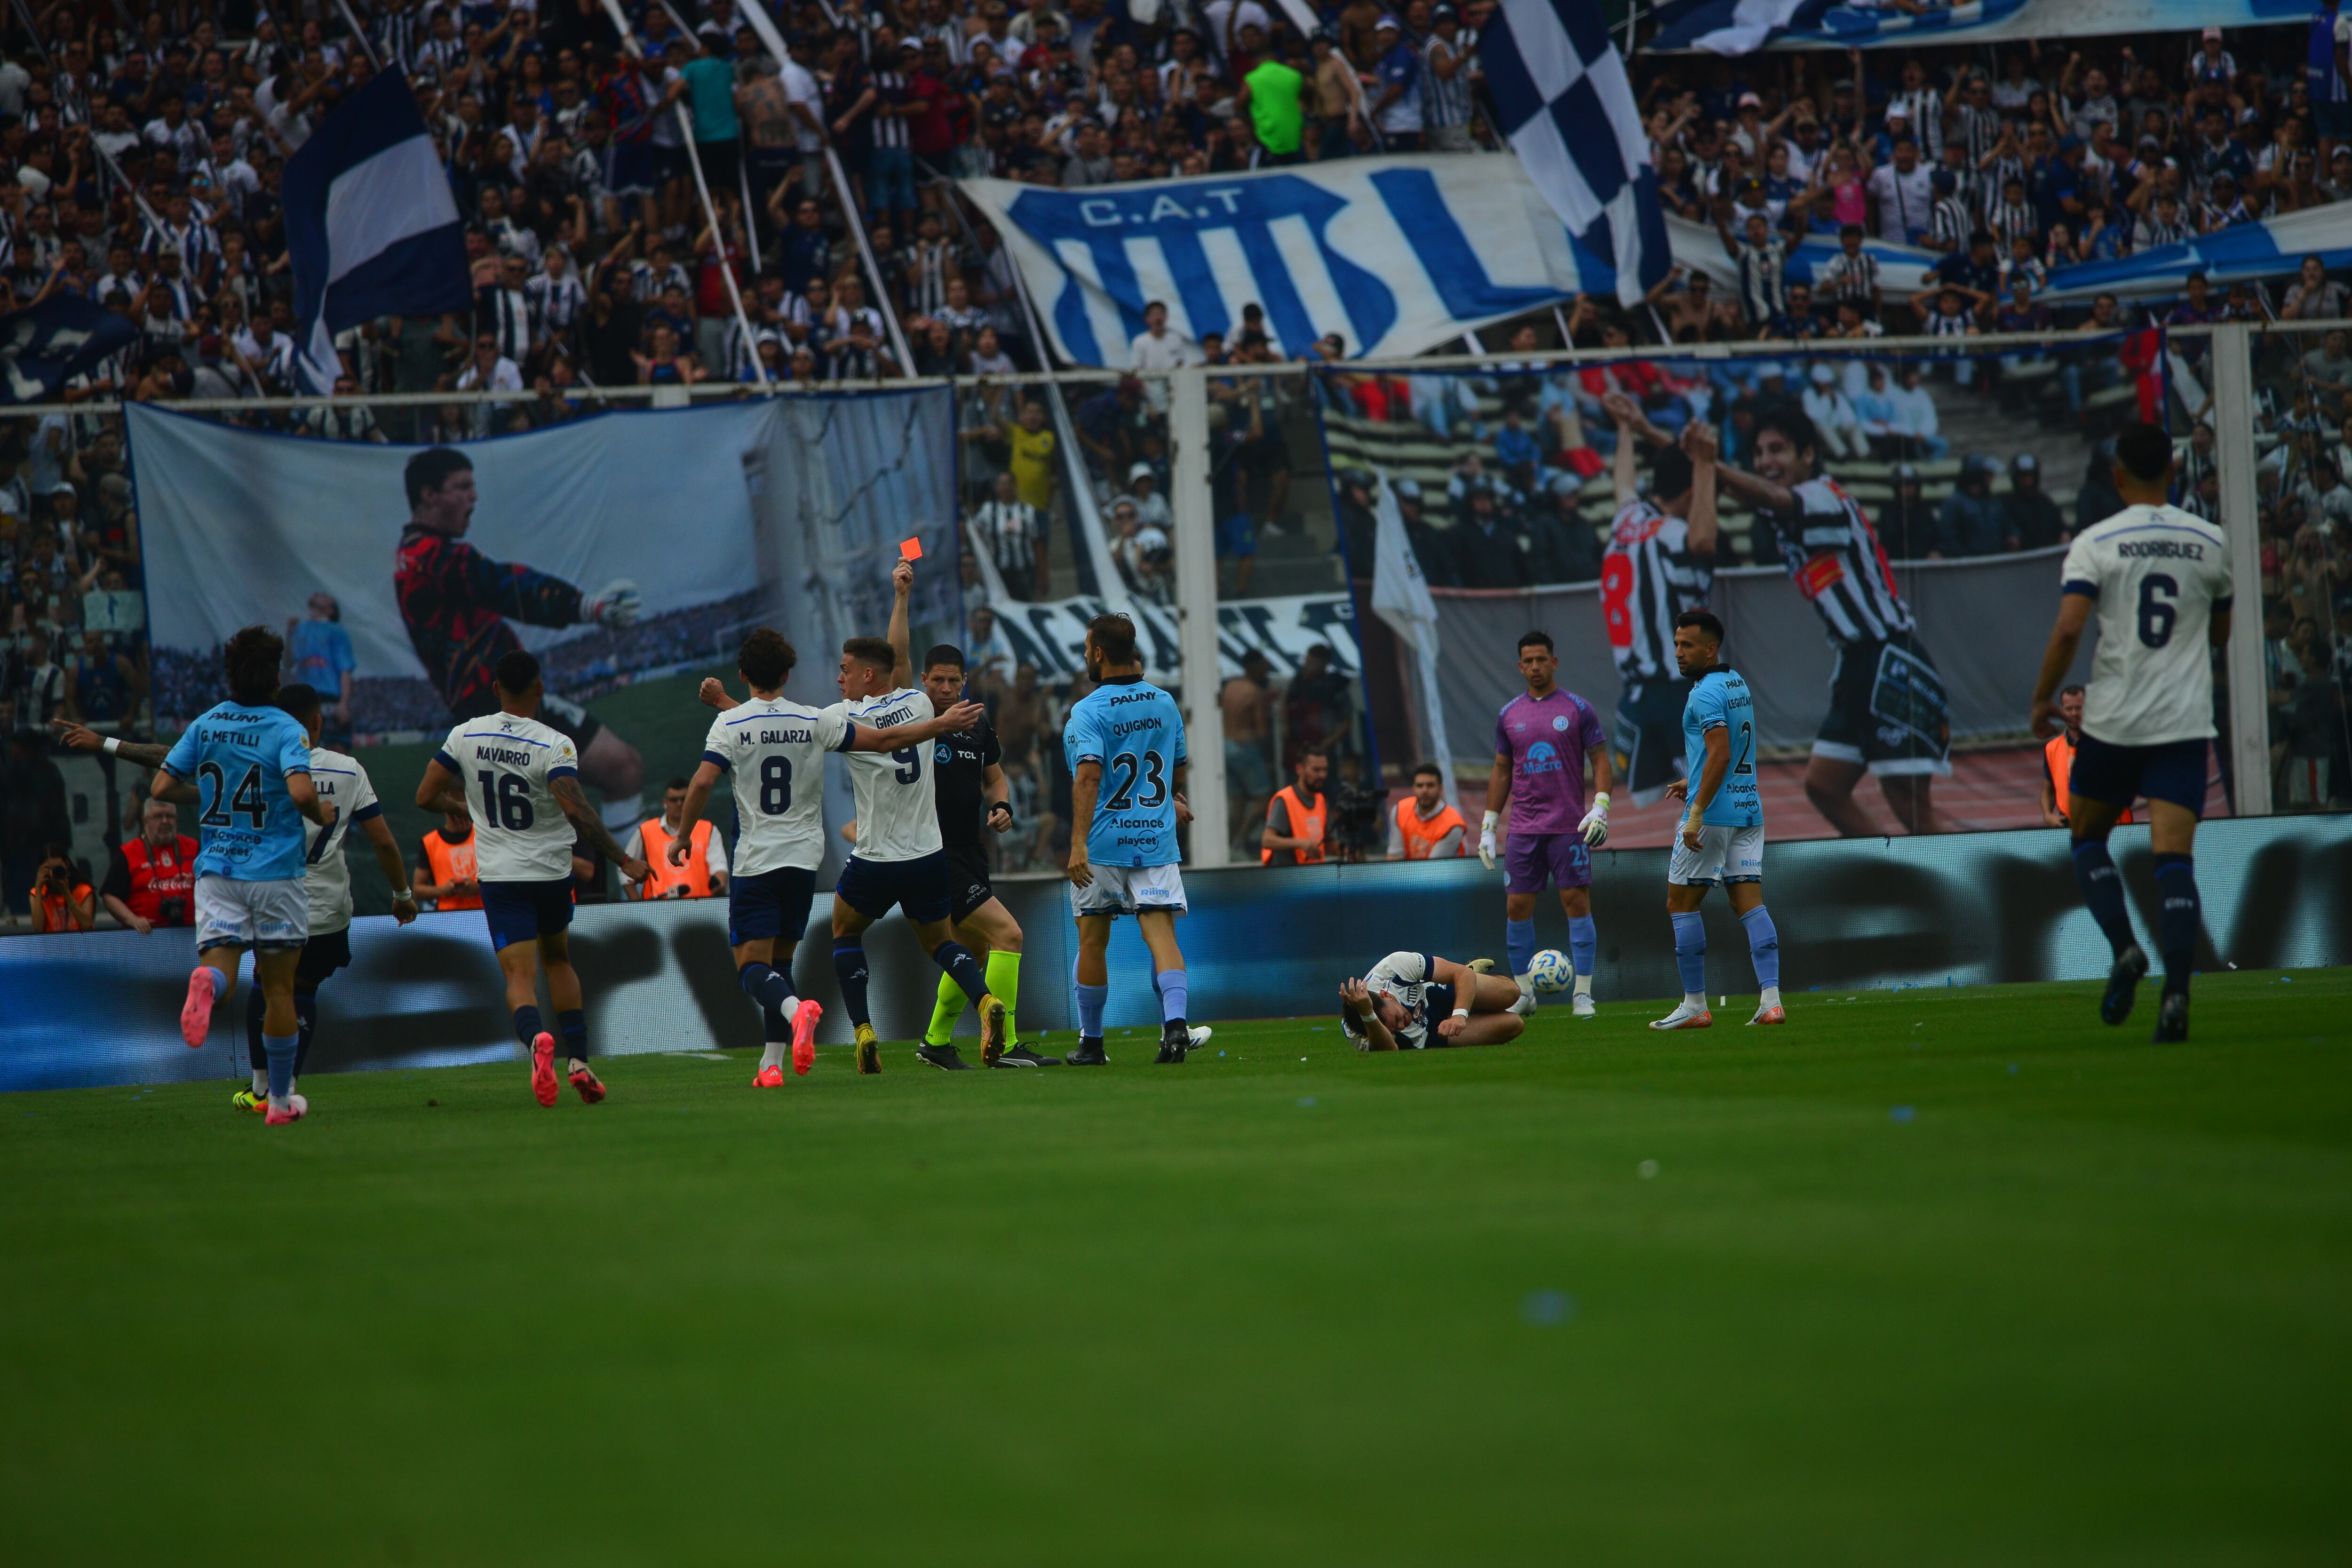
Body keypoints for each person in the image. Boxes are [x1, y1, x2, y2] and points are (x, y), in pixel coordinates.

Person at [683, 627, 983, 1084]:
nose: (840, 677)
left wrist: (681, 835)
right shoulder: (821, 719)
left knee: (759, 965)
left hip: (767, 859)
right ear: (787, 672)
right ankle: (771, 1065)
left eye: (845, 670)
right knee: (784, 963)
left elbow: (710, 775)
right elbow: (883, 737)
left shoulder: (743, 722)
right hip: (812, 861)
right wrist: (940, 725)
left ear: (744, 673)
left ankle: (817, 1015)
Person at [2028, 423, 2230, 1043]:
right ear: (2174, 469)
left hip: (2115, 719)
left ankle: (2123, 948)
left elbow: (2068, 630)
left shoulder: (2096, 542)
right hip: (2181, 720)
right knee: (2175, 860)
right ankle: (2177, 992)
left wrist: (2043, 699)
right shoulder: (2210, 540)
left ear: (2116, 476)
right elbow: (2220, 636)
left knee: (2088, 837)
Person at [413, 648, 652, 1108]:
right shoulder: (554, 743)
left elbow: (425, 795)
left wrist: (460, 808)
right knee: (559, 962)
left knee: (519, 978)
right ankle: (579, 1061)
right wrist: (624, 860)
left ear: (496, 688)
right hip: (550, 874)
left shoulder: (465, 734)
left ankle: (537, 1040)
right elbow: (577, 811)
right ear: (540, 689)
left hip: (502, 878)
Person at [1715, 402, 1951, 836]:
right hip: (1856, 665)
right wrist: (1654, 436)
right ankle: (1895, 872)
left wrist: (1704, 461)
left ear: (1808, 454)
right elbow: (1750, 492)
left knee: (1910, 804)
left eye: (1778, 449)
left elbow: (1764, 494)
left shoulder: (1822, 497)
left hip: (1888, 657)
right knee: (1825, 786)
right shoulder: (1793, 504)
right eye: (1760, 452)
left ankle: (1982, 884)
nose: (1767, 461)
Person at [394, 447, 648, 837]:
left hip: (505, 706)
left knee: (621, 769)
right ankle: (630, 894)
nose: (473, 496)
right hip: (496, 711)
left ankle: (629, 893)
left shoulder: (418, 556)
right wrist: (585, 606)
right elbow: (504, 585)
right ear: (429, 495)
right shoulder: (431, 556)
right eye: (462, 486)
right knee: (559, 825)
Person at [826, 558, 1010, 1072]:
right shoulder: (921, 707)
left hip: (877, 856)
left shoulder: (845, 715)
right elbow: (899, 657)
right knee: (945, 944)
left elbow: (791, 729)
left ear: (865, 675)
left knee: (844, 933)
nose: (838, 678)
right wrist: (902, 597)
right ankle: (985, 1002)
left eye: (844, 670)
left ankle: (863, 1029)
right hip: (928, 856)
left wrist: (732, 705)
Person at [153, 626, 339, 1126]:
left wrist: (217, 801)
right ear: (275, 675)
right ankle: (278, 1103)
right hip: (275, 873)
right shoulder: (285, 728)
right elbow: (301, 794)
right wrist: (320, 812)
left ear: (230, 674)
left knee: (226, 976)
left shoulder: (207, 723)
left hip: (217, 871)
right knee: (280, 990)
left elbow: (162, 785)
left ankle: (206, 983)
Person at [234, 682, 420, 1113]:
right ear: (318, 722)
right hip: (328, 907)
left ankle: (261, 1089)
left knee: (266, 982)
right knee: (304, 989)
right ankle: (287, 1084)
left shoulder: (258, 765)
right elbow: (385, 843)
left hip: (273, 900)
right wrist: (402, 895)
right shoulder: (348, 769)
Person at [903, 644, 1063, 1067]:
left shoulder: (977, 725)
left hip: (971, 849)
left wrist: (1003, 806)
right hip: (934, 853)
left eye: (954, 680)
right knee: (1008, 934)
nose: (946, 687)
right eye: (937, 679)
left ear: (965, 682)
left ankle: (935, 1042)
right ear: (923, 681)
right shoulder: (914, 720)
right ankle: (1005, 1045)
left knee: (971, 950)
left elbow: (996, 780)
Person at [1063, 611, 1203, 1065]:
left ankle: (1093, 1043)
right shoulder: (1164, 702)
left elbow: (1087, 777)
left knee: (1092, 941)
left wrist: (1078, 843)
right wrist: (1169, 802)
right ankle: (1176, 1026)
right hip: (1155, 837)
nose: (1086, 655)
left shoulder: (1088, 710)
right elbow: (1177, 766)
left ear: (1099, 653)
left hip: (1102, 843)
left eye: (1087, 649)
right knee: (1161, 935)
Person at [1650, 611, 1783, 1031]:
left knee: (1680, 902)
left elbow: (1721, 753)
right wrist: (1691, 780)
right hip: (1748, 809)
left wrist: (1696, 811)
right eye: (1676, 644)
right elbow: (1725, 754)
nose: (1678, 653)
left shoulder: (1704, 693)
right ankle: (1771, 1001)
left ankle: (1695, 1006)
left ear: (1711, 649)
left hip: (1714, 815)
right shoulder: (1736, 682)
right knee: (1749, 901)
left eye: (1687, 645)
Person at [1480, 629, 1612, 1017]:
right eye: (1529, 661)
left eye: (1542, 659)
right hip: (1523, 828)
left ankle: (1583, 994)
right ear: (1520, 666)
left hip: (1568, 825)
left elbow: (1601, 759)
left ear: (1554, 662)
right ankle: (1523, 994)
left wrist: (1601, 806)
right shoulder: (1509, 714)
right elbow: (1502, 770)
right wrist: (1489, 826)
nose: (1536, 666)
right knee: (1517, 907)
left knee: (1576, 901)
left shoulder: (1577, 709)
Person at [1599, 393, 1719, 808]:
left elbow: (1623, 482)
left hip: (1635, 692)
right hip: (1677, 688)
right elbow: (1703, 540)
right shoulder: (1673, 535)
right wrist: (1706, 466)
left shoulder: (1626, 521)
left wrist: (1626, 429)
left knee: (1655, 800)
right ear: (1689, 494)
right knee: (1714, 796)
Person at [1338, 953, 1529, 1050]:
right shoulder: (1358, 1032)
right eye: (1393, 1030)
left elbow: (1460, 974)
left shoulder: (1394, 968)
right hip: (1432, 1036)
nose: (1401, 1027)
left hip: (1431, 996)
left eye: (1397, 1019)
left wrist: (1459, 1016)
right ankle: (1469, 999)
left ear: (1386, 995)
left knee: (1511, 993)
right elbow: (1390, 1050)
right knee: (1514, 1025)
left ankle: (1468, 993)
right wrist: (1368, 1015)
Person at [2041, 684, 2135, 830]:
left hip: (2114, 828)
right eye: (2069, 709)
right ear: (2061, 712)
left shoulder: (2111, 742)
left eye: (2079, 708)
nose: (2073, 714)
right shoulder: (2052, 748)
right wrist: (2048, 815)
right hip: (2071, 828)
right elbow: (2049, 791)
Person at [101, 796, 199, 933]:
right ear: (146, 821)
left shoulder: (194, 847)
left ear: (177, 819)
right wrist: (133, 920)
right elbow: (109, 896)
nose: (165, 821)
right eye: (159, 817)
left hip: (192, 934)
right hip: (147, 940)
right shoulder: (129, 853)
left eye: (170, 816)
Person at [631, 776, 730, 899]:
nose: (679, 804)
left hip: (701, 909)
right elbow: (626, 869)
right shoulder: (645, 831)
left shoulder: (709, 830)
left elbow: (719, 867)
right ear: (665, 802)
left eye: (684, 799)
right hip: (658, 912)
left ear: (691, 800)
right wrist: (637, 907)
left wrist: (720, 886)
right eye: (674, 800)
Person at [284, 592, 357, 749]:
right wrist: (289, 634)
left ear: (331, 610)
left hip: (329, 696)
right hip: (305, 697)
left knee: (337, 750)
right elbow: (289, 663)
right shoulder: (300, 629)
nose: (320, 594)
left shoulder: (336, 630)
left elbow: (345, 670)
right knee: (305, 751)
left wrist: (343, 704)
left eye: (326, 598)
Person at [1221, 649, 1276, 854]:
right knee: (1264, 799)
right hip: (1244, 747)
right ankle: (1239, 841)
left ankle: (1225, 846)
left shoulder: (1230, 687)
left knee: (1239, 801)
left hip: (1225, 746)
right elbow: (1261, 732)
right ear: (1254, 667)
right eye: (1264, 667)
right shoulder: (1255, 692)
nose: (1267, 671)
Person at [1261, 747, 1330, 866]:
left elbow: (1330, 843)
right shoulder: (1285, 799)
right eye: (1316, 770)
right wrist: (1300, 843)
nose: (1322, 775)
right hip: (1287, 878)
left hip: (1314, 874)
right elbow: (1267, 840)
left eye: (1325, 770)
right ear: (1300, 769)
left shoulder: (1321, 800)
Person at [413, 804, 485, 912]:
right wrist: (444, 890)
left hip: (484, 915)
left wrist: (479, 889)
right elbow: (418, 891)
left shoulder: (483, 835)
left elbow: (503, 880)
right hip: (447, 919)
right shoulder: (430, 842)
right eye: (452, 802)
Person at [1388, 761, 1467, 859]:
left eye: (1430, 785)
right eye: (1420, 786)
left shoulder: (1453, 825)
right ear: (1414, 788)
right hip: (1410, 872)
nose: (1425, 790)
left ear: (1441, 788)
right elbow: (1394, 856)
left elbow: (1433, 869)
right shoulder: (1400, 810)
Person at [27, 843, 93, 932]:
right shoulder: (38, 894)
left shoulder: (83, 891)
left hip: (79, 943)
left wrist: (66, 893)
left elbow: (87, 925)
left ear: (67, 864)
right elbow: (38, 928)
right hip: (52, 944)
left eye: (58, 868)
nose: (54, 873)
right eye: (50, 869)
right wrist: (39, 889)